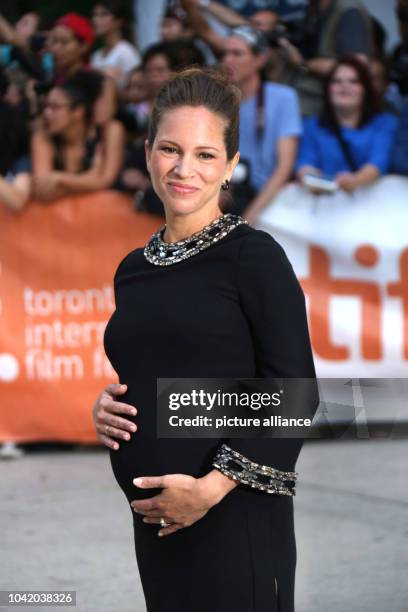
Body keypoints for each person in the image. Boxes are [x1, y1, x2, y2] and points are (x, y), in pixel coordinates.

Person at [92, 67, 317, 612]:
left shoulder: (254, 258)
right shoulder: (133, 269)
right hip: (158, 525)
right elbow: (149, 366)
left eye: (205, 154)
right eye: (170, 149)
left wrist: (209, 489)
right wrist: (108, 407)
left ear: (231, 166)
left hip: (233, 515)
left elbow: (296, 394)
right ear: (147, 153)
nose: (183, 169)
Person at [221, 26, 302, 222]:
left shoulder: (283, 97)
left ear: (260, 59)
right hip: (226, 192)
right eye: (225, 53)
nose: (227, 60)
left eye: (237, 54)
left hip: (266, 199)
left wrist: (252, 215)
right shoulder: (219, 100)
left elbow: (285, 166)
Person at [296, 56, 399, 193]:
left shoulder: (385, 123)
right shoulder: (311, 126)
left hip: (371, 206)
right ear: (327, 89)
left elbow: (378, 163)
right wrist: (312, 179)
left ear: (365, 89)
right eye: (337, 81)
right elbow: (304, 163)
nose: (345, 86)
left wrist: (356, 180)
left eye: (353, 81)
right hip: (326, 204)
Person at [31, 70, 124, 201]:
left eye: (55, 107)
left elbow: (106, 181)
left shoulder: (110, 131)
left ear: (78, 112)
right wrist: (91, 177)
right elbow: (44, 191)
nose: (46, 113)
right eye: (46, 106)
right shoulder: (42, 137)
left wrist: (58, 178)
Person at [91, 0, 141, 86]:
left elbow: (136, 87)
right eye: (95, 15)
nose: (95, 20)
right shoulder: (96, 55)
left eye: (104, 14)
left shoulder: (126, 52)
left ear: (118, 21)